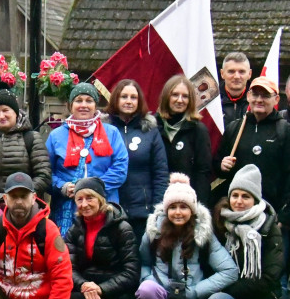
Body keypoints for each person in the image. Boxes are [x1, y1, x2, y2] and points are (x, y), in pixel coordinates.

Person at [136, 174, 239, 299]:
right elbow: (144, 262)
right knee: (146, 289)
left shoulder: (203, 234)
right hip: (161, 296)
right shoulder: (154, 231)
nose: (178, 212)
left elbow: (229, 270)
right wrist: (149, 279)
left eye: (183, 207)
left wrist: (198, 291)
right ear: (166, 209)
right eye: (173, 207)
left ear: (192, 210)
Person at [206, 166, 285, 299]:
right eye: (235, 195)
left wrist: (227, 287)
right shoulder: (221, 224)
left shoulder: (269, 228)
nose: (239, 201)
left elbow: (268, 278)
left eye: (245, 196)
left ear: (255, 200)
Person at [60, 177, 138, 299]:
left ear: (101, 199)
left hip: (116, 295)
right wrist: (85, 285)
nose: (84, 204)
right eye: (79, 199)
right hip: (87, 292)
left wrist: (100, 289)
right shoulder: (75, 230)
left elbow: (131, 272)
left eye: (90, 198)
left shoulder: (122, 228)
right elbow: (67, 267)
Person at [216, 77, 290, 229]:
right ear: (248, 96)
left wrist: (284, 217)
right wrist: (222, 166)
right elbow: (217, 169)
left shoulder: (287, 131)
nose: (259, 100)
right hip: (238, 213)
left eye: (265, 96)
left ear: (276, 99)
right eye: (255, 95)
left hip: (272, 216)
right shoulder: (234, 128)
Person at [47, 82, 128, 235]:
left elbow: (120, 168)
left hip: (105, 205)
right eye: (78, 100)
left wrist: (94, 189)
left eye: (89, 101)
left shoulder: (112, 133)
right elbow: (46, 172)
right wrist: (62, 187)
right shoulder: (56, 136)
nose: (83, 105)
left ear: (95, 105)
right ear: (70, 105)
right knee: (67, 254)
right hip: (67, 208)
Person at [105, 79, 169, 238]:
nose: (128, 101)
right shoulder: (103, 130)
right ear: (115, 99)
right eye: (124, 96)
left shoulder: (150, 131)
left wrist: (157, 209)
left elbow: (160, 172)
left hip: (143, 212)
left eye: (133, 97)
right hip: (110, 210)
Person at [156, 75, 213, 206]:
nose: (180, 100)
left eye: (185, 96)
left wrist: (198, 205)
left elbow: (203, 172)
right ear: (166, 97)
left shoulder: (198, 130)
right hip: (158, 201)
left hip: (187, 203)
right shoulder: (152, 127)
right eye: (175, 95)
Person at [219, 52, 252, 126]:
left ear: (249, 74)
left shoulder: (257, 102)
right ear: (222, 73)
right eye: (231, 71)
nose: (237, 76)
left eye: (242, 72)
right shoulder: (212, 101)